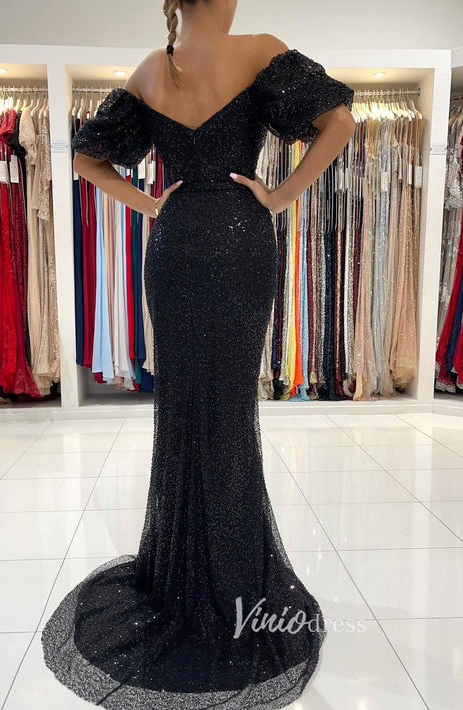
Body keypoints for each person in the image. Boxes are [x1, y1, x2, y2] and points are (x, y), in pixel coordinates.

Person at [41, 1, 356, 708]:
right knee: (229, 411)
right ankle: (230, 573)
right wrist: (280, 196)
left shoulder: (150, 70)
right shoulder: (259, 48)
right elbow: (340, 123)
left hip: (176, 244)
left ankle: (182, 571)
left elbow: (87, 159)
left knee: (183, 410)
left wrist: (151, 205)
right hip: (241, 239)